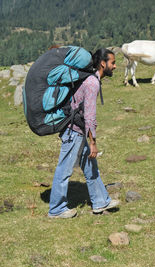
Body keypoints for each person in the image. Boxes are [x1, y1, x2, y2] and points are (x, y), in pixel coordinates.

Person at [48, 48, 119, 218]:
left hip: (76, 130)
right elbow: (89, 115)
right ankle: (56, 209)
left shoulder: (89, 79)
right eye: (113, 62)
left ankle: (101, 201)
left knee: (90, 166)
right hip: (74, 131)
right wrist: (93, 142)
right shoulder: (92, 83)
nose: (115, 66)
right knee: (64, 169)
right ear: (103, 63)